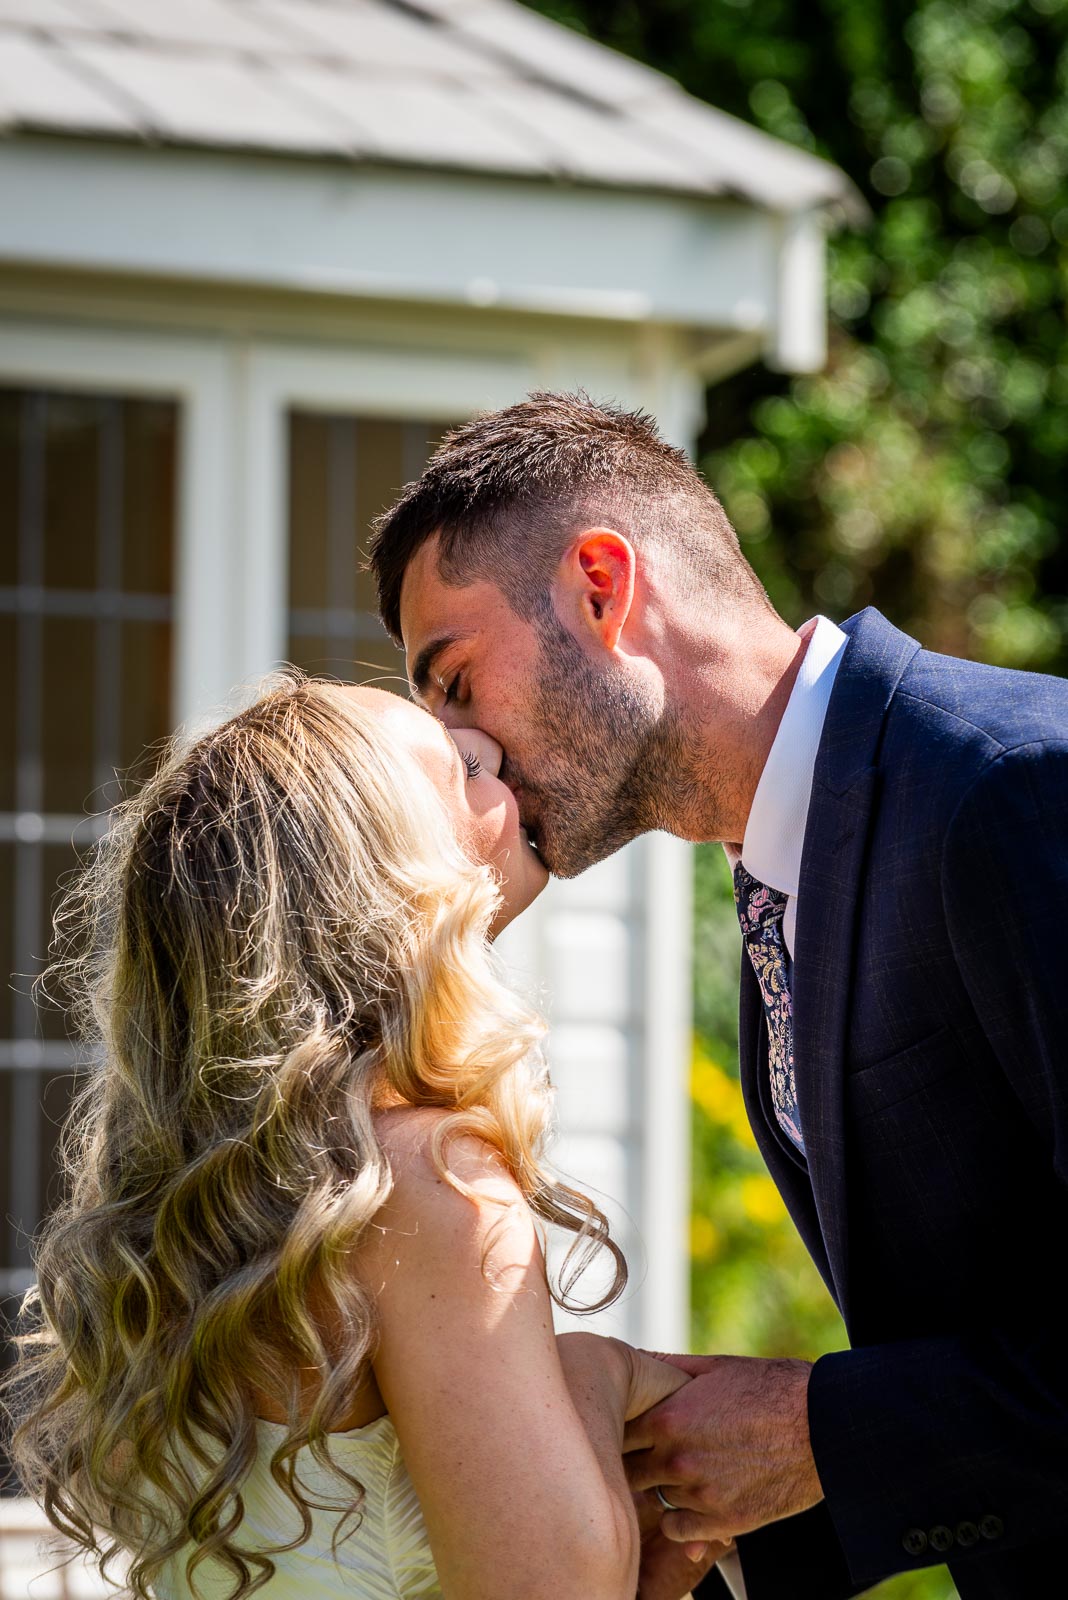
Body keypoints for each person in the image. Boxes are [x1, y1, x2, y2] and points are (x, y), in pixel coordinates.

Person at [370, 390, 1068, 1600]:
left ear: (601, 585)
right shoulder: (778, 888)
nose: (463, 753)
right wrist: (727, 1510)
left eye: (459, 682)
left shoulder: (1010, 786)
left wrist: (819, 1431)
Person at [3, 675, 714, 1600]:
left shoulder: (208, 1222)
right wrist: (596, 1373)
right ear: (382, 885)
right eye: (461, 770)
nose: (494, 755)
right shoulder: (426, 1184)